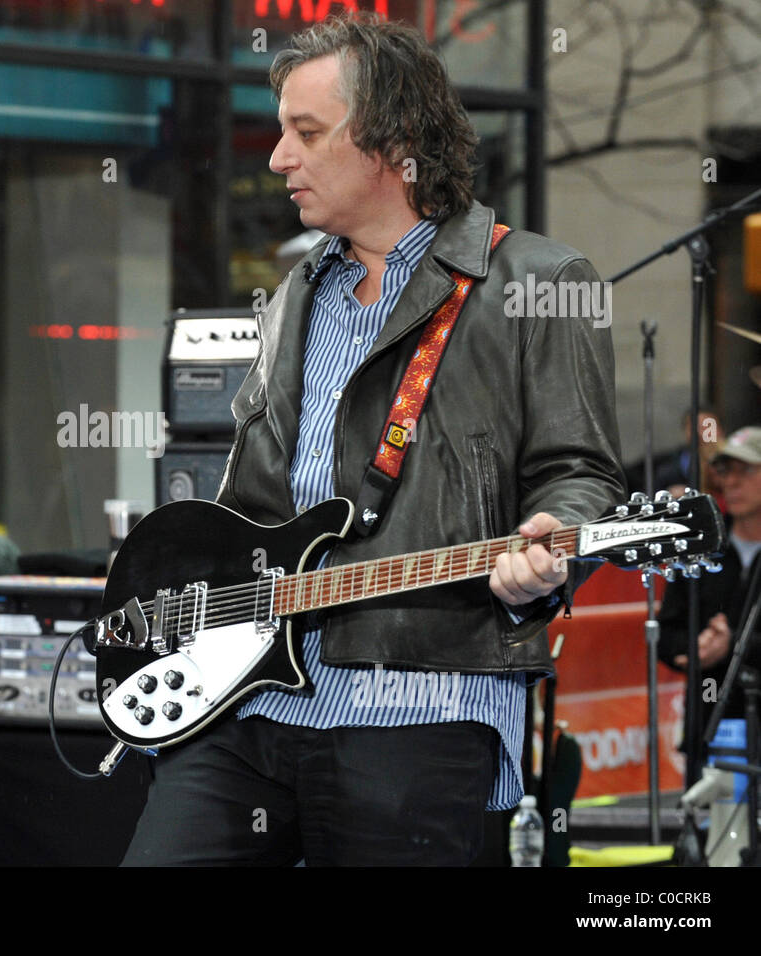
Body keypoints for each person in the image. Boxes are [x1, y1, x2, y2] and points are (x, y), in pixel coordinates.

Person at [122, 15, 624, 866]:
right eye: (283, 131)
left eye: (306, 133)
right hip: (250, 703)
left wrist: (548, 548)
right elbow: (248, 508)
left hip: (416, 709)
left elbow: (577, 473)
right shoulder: (294, 294)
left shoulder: (540, 281)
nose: (279, 157)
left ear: (393, 143)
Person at [658, 425, 761, 729]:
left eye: (746, 471)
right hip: (709, 711)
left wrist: (737, 644)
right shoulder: (700, 548)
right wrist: (694, 648)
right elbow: (667, 633)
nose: (731, 482)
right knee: (708, 773)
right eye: (726, 471)